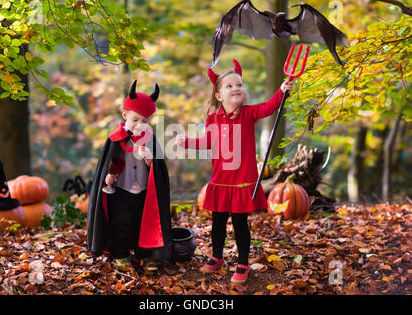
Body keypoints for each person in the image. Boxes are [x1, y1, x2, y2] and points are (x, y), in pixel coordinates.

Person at [176, 60, 294, 283]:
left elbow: (268, 107)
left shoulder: (248, 113)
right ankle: (217, 256)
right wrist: (188, 142)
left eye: (239, 84)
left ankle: (242, 262)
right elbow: (208, 141)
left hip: (241, 180)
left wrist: (281, 91)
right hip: (221, 180)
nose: (236, 88)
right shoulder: (213, 118)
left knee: (240, 223)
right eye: (229, 86)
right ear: (219, 95)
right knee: (218, 221)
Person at [87, 80, 172, 273]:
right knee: (121, 224)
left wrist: (148, 158)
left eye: (145, 121)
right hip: (120, 191)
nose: (139, 125)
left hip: (144, 191)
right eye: (135, 120)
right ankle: (121, 254)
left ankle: (147, 255)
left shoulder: (151, 139)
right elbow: (107, 166)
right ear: (125, 115)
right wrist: (107, 177)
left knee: (144, 224)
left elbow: (157, 169)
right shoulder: (114, 139)